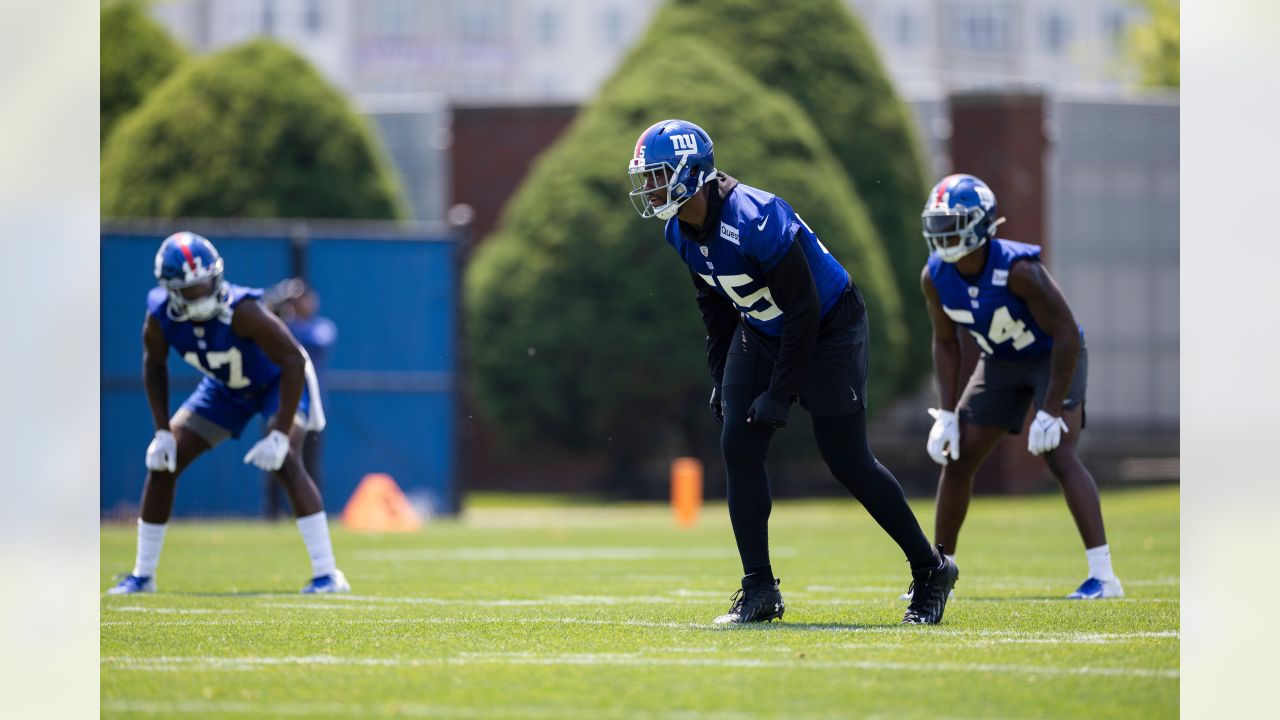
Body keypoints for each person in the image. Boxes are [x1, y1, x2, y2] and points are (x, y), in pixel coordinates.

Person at [628, 119, 959, 625]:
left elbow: (804, 311)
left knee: (848, 460)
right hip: (760, 328)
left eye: (658, 175)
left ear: (691, 172)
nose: (649, 187)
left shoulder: (756, 217)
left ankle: (931, 567)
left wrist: (779, 395)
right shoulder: (678, 228)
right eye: (646, 176)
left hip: (828, 328)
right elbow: (714, 304)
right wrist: (721, 375)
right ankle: (759, 588)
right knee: (738, 446)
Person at [107, 231, 350, 595]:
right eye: (192, 289)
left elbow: (294, 361)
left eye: (207, 282)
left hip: (275, 384)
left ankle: (328, 574)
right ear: (172, 290)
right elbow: (154, 365)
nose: (203, 292)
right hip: (224, 389)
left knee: (286, 462)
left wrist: (281, 433)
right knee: (163, 463)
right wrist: (161, 430)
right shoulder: (160, 314)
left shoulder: (244, 310)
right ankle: (143, 575)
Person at [918, 174, 1122, 599]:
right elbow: (945, 341)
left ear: (980, 224)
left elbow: (1066, 332)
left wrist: (1049, 409)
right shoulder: (935, 276)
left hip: (1052, 357)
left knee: (1059, 454)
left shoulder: (1020, 270)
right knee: (958, 460)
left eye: (952, 222)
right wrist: (949, 413)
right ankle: (939, 576)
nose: (943, 233)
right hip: (1001, 363)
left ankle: (1104, 577)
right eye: (937, 223)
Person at [262, 279, 337, 519]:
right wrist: (277, 300)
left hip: (314, 407)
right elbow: (261, 321)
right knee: (277, 459)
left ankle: (311, 512)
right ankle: (273, 513)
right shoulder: (285, 325)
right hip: (283, 404)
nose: (304, 302)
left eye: (305, 297)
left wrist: (288, 319)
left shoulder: (320, 327)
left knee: (311, 465)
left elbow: (317, 339)